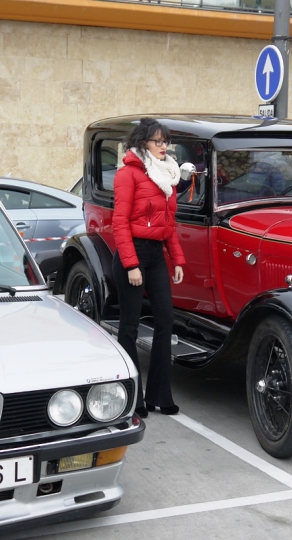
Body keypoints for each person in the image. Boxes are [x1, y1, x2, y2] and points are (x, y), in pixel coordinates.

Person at [112, 118, 185, 418]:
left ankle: (159, 395)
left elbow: (169, 225)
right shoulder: (128, 174)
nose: (164, 146)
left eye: (166, 141)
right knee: (129, 326)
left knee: (165, 321)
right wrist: (131, 264)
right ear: (143, 142)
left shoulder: (167, 176)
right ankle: (133, 398)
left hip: (156, 254)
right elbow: (119, 223)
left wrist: (177, 259)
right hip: (133, 253)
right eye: (158, 141)